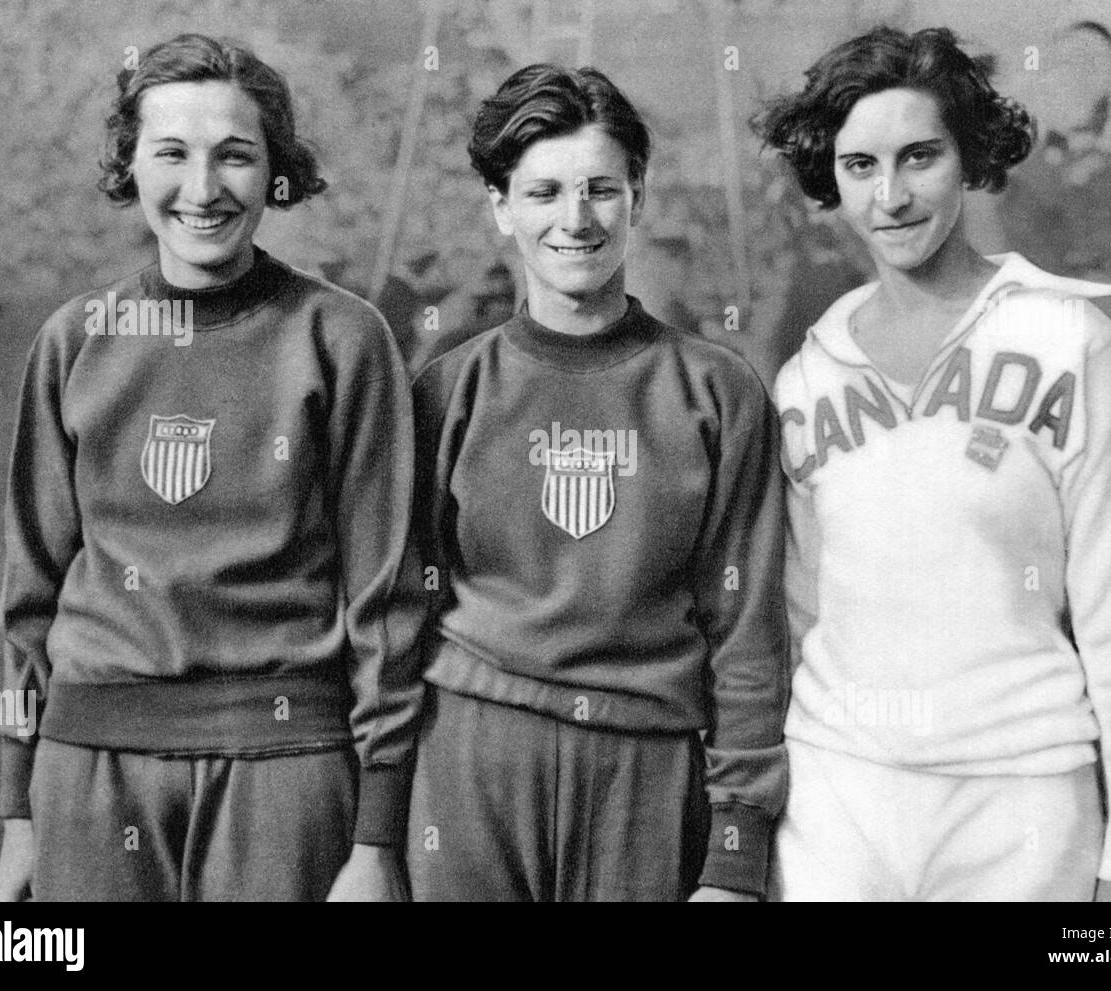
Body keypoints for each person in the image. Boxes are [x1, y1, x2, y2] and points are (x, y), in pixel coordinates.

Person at [337, 64, 789, 902]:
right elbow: (396, 613)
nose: (574, 220)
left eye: (600, 190)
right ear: (503, 208)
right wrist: (378, 829)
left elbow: (747, 630)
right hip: (470, 757)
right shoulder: (449, 387)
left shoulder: (717, 392)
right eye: (543, 191)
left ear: (637, 198)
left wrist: (735, 850)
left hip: (644, 765)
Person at [754, 26, 1111, 901]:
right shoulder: (803, 378)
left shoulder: (1070, 341)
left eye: (920, 157)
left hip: (1022, 795)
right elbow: (797, 617)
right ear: (829, 178)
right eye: (861, 165)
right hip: (839, 796)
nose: (892, 195)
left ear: (969, 156)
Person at [0, 33, 414, 901]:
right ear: (130, 164)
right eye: (172, 154)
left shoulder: (342, 337)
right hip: (91, 768)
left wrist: (377, 835)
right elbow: (30, 593)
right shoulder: (77, 339)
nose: (203, 189)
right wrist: (19, 812)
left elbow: (387, 601)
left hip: (287, 764)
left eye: (236, 157)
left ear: (276, 170)